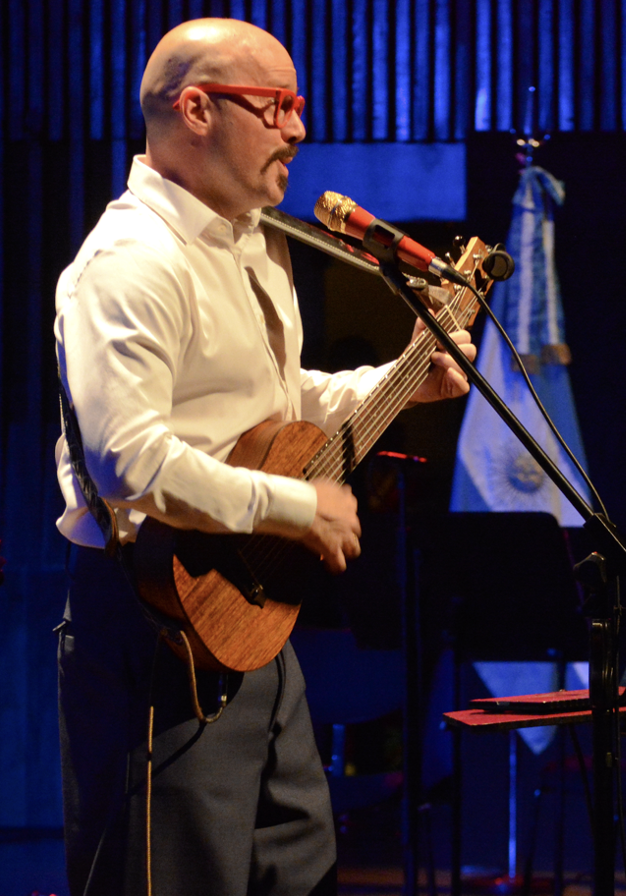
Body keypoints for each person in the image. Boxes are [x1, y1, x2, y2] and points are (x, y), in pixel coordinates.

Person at [53, 18, 475, 895]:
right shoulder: (132, 260)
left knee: (299, 871)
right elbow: (126, 459)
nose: (298, 129)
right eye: (276, 105)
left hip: (253, 623)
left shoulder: (257, 243)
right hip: (155, 629)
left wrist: (403, 382)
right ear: (197, 108)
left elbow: (282, 408)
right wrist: (296, 509)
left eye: (299, 105)